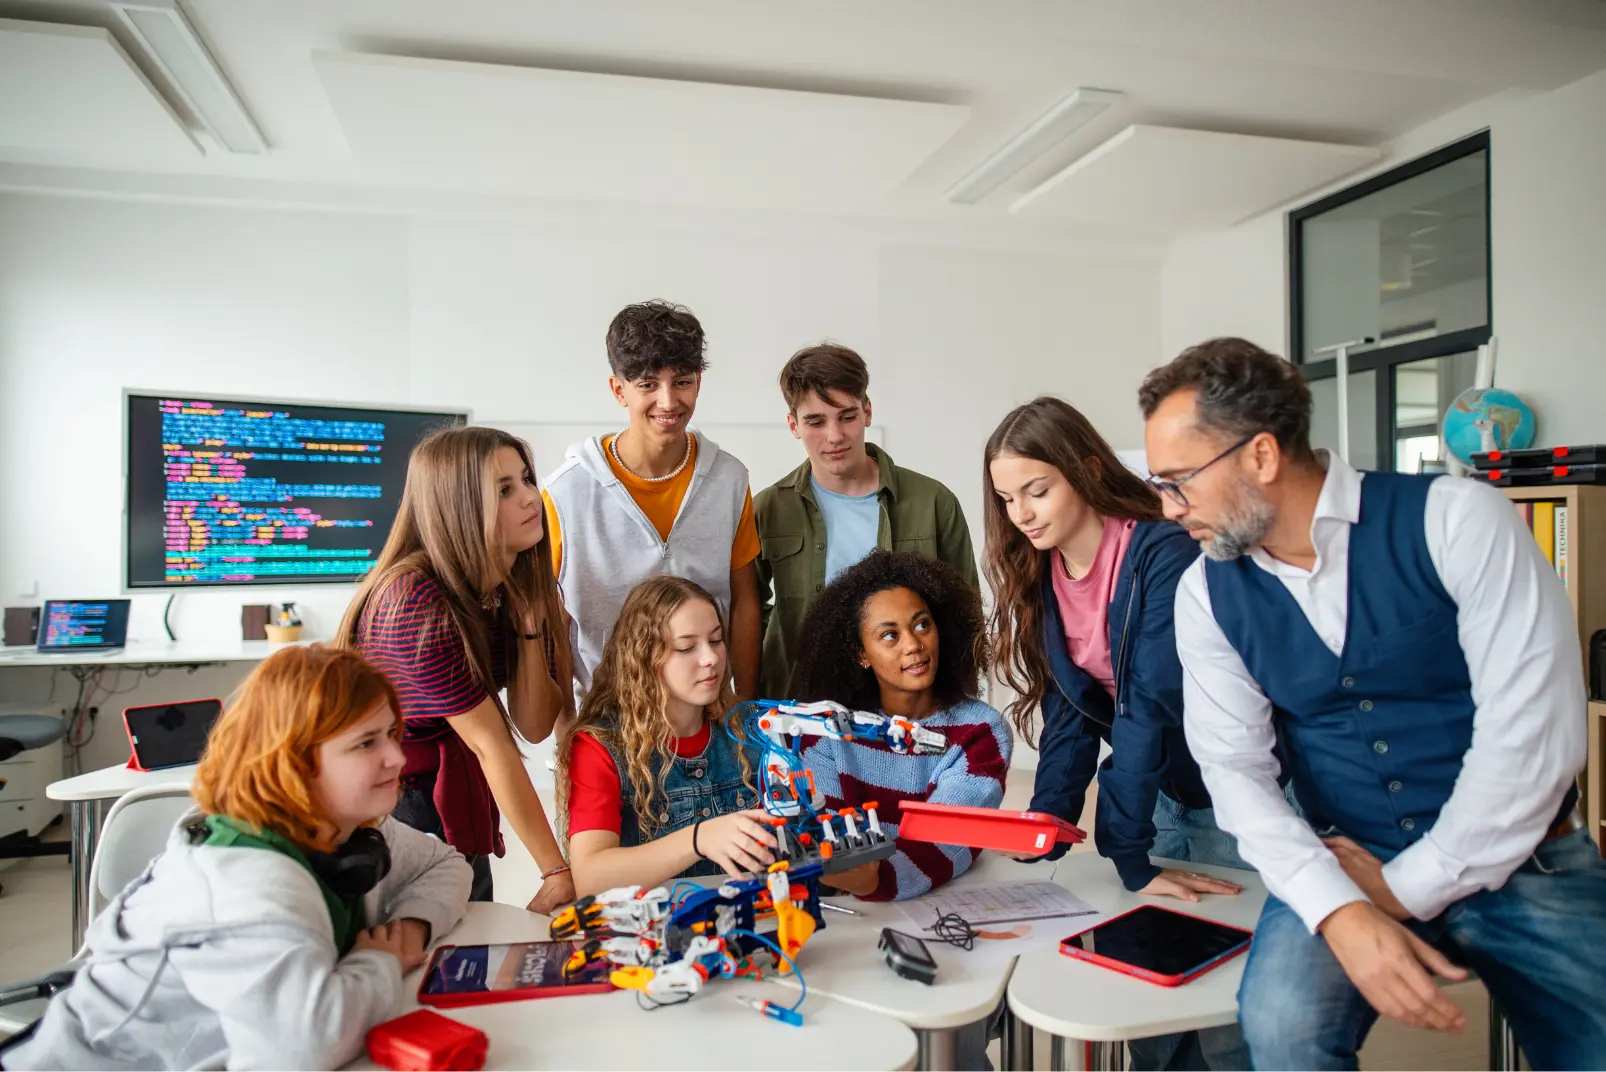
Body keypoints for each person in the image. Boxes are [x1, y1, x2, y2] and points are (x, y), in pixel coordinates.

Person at [1140, 337, 1606, 1071]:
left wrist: (1401, 890)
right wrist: (1341, 909)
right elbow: (1234, 771)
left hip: (1527, 859)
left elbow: (1531, 743)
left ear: (1261, 455)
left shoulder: (1459, 519)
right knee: (1282, 1029)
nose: (1169, 510)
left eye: (1179, 481)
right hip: (1351, 860)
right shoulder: (1205, 591)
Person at [4, 646, 472, 1070]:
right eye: (366, 743)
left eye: (393, 733)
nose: (397, 757)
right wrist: (378, 964)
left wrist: (408, 932)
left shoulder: (350, 829)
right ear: (292, 762)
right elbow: (303, 1047)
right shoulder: (247, 880)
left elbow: (446, 865)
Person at [984, 396, 1249, 1071]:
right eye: (1008, 497)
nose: (1022, 513)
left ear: (1086, 470)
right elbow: (1072, 706)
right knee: (1150, 1013)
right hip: (1162, 797)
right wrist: (1049, 817)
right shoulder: (1043, 571)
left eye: (1037, 490)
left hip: (1237, 801)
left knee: (1230, 1018)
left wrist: (1126, 850)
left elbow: (1147, 703)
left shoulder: (1160, 551)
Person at [339, 425, 576, 912]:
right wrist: (556, 871)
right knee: (434, 946)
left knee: (465, 929)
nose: (531, 498)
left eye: (526, 479)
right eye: (505, 490)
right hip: (391, 796)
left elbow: (532, 726)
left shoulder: (512, 582)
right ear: (460, 506)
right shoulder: (415, 601)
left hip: (448, 784)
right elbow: (492, 746)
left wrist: (530, 624)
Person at [542, 300, 762, 697]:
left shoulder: (730, 478)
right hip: (609, 719)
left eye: (682, 381)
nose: (668, 401)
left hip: (707, 716)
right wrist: (565, 731)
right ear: (618, 390)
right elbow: (553, 627)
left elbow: (745, 600)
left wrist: (743, 713)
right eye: (647, 384)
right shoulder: (564, 494)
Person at [756, 342, 978, 698]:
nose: (835, 436)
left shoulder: (932, 501)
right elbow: (745, 612)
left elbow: (966, 615)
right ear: (793, 425)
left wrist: (957, 704)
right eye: (815, 421)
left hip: (910, 707)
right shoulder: (767, 509)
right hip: (802, 704)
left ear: (867, 412)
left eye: (847, 416)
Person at [788, 550, 1010, 902]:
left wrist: (869, 878)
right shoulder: (827, 732)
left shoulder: (980, 731)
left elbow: (943, 843)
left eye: (922, 624)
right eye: (889, 635)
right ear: (860, 654)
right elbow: (821, 839)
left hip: (947, 907)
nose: (914, 645)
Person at [558, 575, 770, 896]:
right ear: (644, 659)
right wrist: (700, 839)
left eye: (715, 640)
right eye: (686, 647)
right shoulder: (600, 746)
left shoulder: (752, 727)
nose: (710, 658)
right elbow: (590, 878)